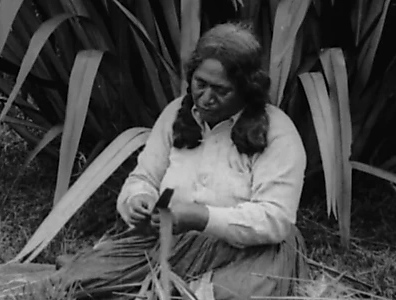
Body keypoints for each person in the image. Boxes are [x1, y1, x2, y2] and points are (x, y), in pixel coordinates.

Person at [53, 21, 309, 300]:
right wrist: (138, 201)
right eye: (200, 84)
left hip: (252, 250)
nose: (206, 99)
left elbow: (275, 219)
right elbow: (144, 178)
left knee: (223, 295)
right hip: (169, 243)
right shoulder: (177, 112)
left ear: (248, 89)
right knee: (76, 282)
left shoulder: (278, 132)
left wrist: (201, 217)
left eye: (221, 90)